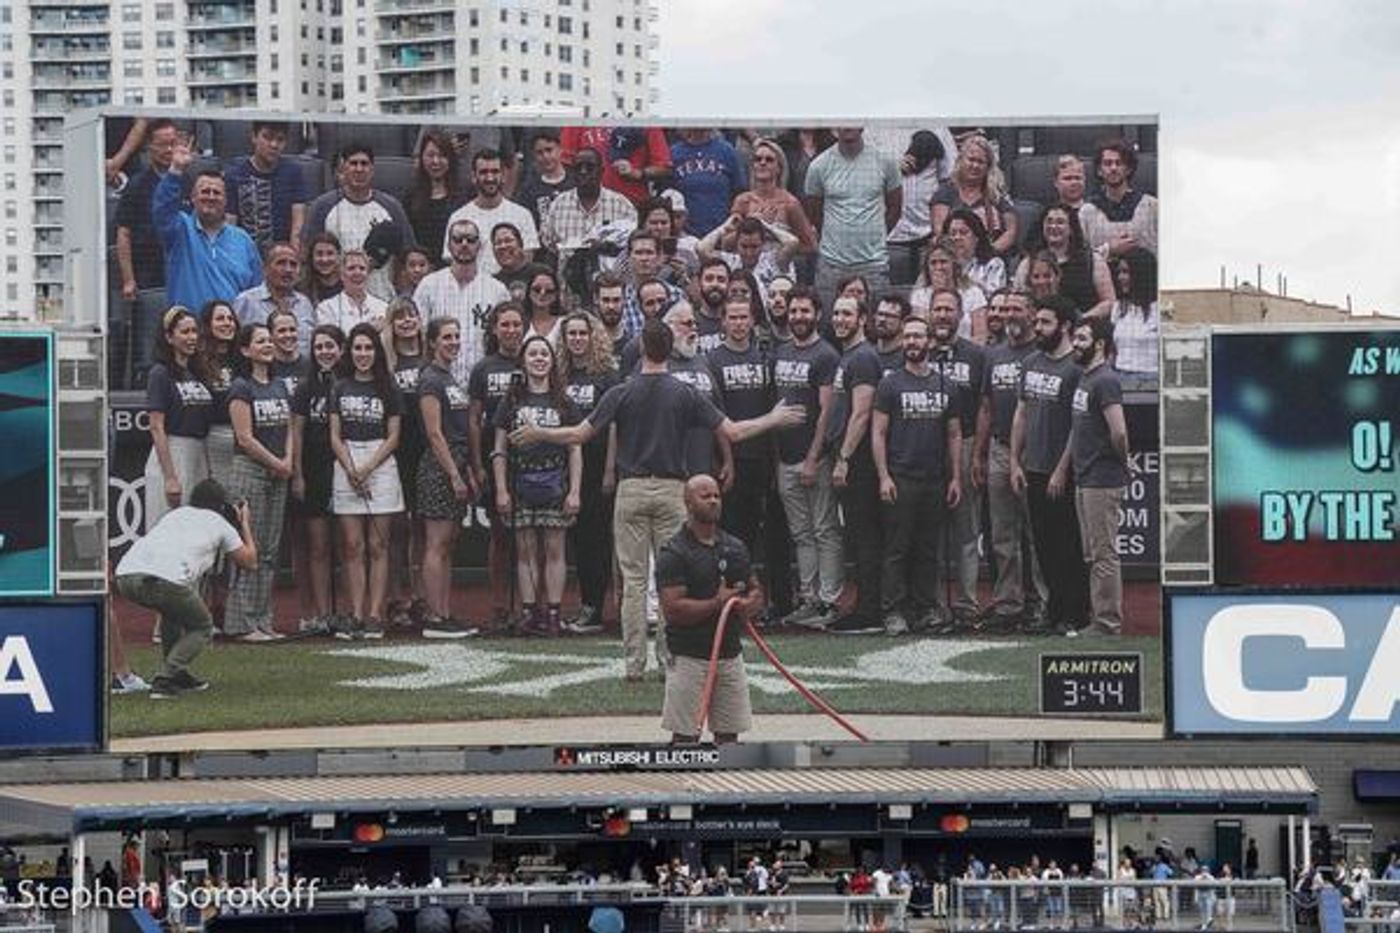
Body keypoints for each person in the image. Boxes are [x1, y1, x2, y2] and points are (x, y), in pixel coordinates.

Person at [509, 319, 801, 681]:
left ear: (642, 350)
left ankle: (634, 664)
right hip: (670, 490)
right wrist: (772, 418)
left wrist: (539, 432)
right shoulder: (683, 392)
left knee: (633, 581)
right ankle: (668, 659)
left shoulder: (622, 391)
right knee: (671, 581)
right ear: (671, 350)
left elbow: (579, 434)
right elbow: (734, 432)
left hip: (631, 489)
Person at [115, 479, 256, 698]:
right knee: (202, 626)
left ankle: (177, 673)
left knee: (172, 613)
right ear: (221, 506)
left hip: (126, 575)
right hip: (165, 580)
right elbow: (250, 561)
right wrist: (245, 523)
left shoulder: (175, 514)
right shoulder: (221, 523)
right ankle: (166, 678)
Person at [872, 315, 962, 635]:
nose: (911, 342)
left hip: (935, 478)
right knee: (897, 548)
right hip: (901, 476)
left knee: (927, 548)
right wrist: (883, 476)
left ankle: (926, 607)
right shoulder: (890, 383)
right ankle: (893, 609)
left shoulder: (945, 384)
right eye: (907, 336)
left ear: (929, 342)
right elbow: (878, 432)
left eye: (918, 336)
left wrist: (955, 478)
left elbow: (954, 434)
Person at [656, 473, 762, 743]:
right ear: (688, 503)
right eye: (705, 496)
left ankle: (724, 786)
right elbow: (674, 610)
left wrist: (749, 604)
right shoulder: (674, 553)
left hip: (729, 654)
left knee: (729, 737)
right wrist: (718, 603)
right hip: (689, 655)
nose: (714, 501)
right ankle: (682, 785)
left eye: (716, 495)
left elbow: (755, 590)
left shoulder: (735, 547)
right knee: (684, 738)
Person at [708, 296, 793, 619]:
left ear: (753, 321)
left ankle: (781, 602)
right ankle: (736, 601)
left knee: (775, 535)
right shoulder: (713, 360)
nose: (739, 323)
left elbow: (775, 412)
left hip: (766, 459)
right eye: (734, 317)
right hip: (733, 459)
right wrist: (726, 460)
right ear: (724, 322)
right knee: (734, 535)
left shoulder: (765, 358)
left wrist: (775, 460)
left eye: (745, 317)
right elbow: (718, 419)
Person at [1011, 295, 1091, 636]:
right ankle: (1054, 608)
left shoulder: (1075, 368)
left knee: (1068, 544)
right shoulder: (1030, 362)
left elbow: (1078, 424)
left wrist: (1062, 468)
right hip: (1033, 467)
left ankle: (1075, 612)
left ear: (1065, 327)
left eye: (1044, 323)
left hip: (1064, 472)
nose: (1037, 328)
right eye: (1037, 322)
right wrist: (1015, 460)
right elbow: (1021, 412)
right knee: (1042, 545)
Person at [492, 335, 582, 636]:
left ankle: (554, 612)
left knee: (555, 549)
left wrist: (575, 491)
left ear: (553, 361)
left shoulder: (563, 400)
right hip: (521, 481)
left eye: (545, 353)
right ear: (524, 360)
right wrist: (502, 489)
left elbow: (574, 447)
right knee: (525, 551)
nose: (540, 359)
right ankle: (530, 611)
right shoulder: (512, 400)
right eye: (533, 354)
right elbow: (499, 448)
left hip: (555, 481)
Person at [974, 290, 1049, 629]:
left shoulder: (1041, 353)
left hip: (1036, 452)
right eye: (1005, 310)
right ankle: (1008, 604)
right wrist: (979, 452)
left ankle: (1043, 603)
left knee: (1037, 534)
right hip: (1000, 449)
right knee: (1003, 535)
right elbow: (986, 407)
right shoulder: (993, 354)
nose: (1010, 315)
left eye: (1017, 309)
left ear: (1032, 314)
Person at [771, 286, 843, 627]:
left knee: (825, 529)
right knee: (801, 533)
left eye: (804, 311)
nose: (798, 316)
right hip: (784, 457)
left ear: (817, 314)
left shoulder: (826, 355)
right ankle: (809, 598)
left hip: (814, 457)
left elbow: (827, 413)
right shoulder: (781, 351)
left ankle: (829, 601)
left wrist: (814, 457)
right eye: (794, 310)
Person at [329, 323, 405, 639]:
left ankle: (375, 613)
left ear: (377, 352)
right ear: (350, 351)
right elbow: (334, 435)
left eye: (368, 348)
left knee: (378, 544)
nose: (363, 354)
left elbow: (394, 435)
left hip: (381, 461)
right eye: (358, 348)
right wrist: (351, 469)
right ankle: (356, 613)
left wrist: (369, 467)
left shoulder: (389, 387)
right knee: (352, 546)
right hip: (346, 460)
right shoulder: (339, 386)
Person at [224, 322, 293, 642]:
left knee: (270, 550)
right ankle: (241, 622)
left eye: (269, 340)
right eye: (260, 341)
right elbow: (244, 437)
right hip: (250, 471)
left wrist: (288, 460)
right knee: (247, 547)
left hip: (278, 474)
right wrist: (277, 462)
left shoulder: (279, 385)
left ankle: (263, 619)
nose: (268, 345)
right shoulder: (241, 387)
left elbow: (289, 427)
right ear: (245, 349)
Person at [821, 295, 885, 634]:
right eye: (836, 314)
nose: (839, 319)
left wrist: (844, 458)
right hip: (845, 454)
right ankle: (864, 604)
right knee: (857, 535)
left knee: (864, 536)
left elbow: (862, 413)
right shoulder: (848, 356)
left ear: (862, 319)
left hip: (857, 460)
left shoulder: (862, 358)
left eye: (847, 313)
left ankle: (870, 609)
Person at [928, 288, 989, 629]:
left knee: (966, 530)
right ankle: (936, 605)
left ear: (960, 314)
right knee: (932, 534)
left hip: (964, 444)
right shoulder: (920, 352)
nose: (942, 315)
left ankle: (966, 605)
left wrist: (977, 453)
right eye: (937, 309)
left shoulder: (975, 355)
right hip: (926, 449)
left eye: (949, 309)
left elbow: (984, 408)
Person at [414, 318, 479, 638]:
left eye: (457, 336)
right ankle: (434, 616)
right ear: (432, 342)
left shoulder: (450, 378)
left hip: (456, 462)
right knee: (436, 543)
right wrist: (453, 473)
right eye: (446, 337)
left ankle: (444, 610)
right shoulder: (430, 380)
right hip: (439, 466)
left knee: (448, 544)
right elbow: (434, 433)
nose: (453, 342)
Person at [558, 312, 621, 633]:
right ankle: (585, 604)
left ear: (592, 336)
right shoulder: (560, 375)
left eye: (583, 333)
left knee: (597, 539)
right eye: (571, 334)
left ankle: (597, 608)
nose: (577, 339)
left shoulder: (607, 376)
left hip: (598, 467)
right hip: (566, 466)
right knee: (578, 540)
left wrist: (610, 468)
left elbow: (613, 425)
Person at [1069, 315, 1130, 636]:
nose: (1074, 344)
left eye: (1081, 339)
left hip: (1102, 479)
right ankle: (1099, 618)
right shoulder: (1086, 377)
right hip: (1085, 478)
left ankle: (1107, 623)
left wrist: (1124, 461)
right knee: (1093, 553)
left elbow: (1118, 431)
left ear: (1100, 345)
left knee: (1104, 553)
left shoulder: (1105, 380)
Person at [153, 138, 263, 315]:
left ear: (226, 201)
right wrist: (176, 170)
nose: (211, 197)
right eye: (205, 192)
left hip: (231, 333)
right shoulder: (179, 230)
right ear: (193, 198)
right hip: (189, 333)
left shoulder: (243, 240)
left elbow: (257, 293)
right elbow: (162, 209)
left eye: (217, 193)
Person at [803, 127, 902, 314]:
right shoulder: (818, 166)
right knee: (827, 326)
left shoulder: (885, 161)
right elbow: (814, 212)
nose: (847, 125)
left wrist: (875, 236)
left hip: (873, 264)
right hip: (832, 265)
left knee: (876, 327)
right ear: (833, 127)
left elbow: (895, 208)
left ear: (862, 125)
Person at [290, 324, 347, 635]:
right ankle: (321, 613)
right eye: (319, 347)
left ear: (341, 349)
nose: (325, 352)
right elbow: (296, 432)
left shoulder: (351, 383)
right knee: (319, 547)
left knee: (349, 545)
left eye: (331, 346)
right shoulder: (305, 388)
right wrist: (297, 474)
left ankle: (349, 611)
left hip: (348, 469)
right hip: (314, 470)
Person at [115, 118, 179, 375]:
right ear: (149, 148)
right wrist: (129, 279)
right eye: (163, 145)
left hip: (179, 266)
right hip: (147, 268)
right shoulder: (137, 185)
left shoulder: (190, 180)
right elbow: (123, 233)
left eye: (173, 144)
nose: (168, 150)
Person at [414, 218, 512, 385]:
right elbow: (419, 335)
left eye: (471, 239)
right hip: (438, 382)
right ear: (449, 245)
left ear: (479, 245)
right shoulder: (428, 285)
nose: (464, 244)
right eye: (458, 240)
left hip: (483, 384)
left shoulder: (497, 290)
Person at [144, 307, 213, 533]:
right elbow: (156, 427)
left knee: (194, 530)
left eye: (195, 331)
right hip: (173, 451)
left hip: (198, 452)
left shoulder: (198, 372)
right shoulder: (160, 373)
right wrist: (170, 477)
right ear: (169, 337)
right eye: (185, 332)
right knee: (168, 529)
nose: (192, 337)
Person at [382, 298, 429, 627]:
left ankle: (423, 597)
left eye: (411, 315)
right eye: (399, 318)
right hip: (395, 451)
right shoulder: (386, 361)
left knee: (424, 529)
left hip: (426, 448)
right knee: (396, 530)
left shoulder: (430, 359)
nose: (407, 322)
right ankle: (398, 597)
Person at [539, 146, 637, 290]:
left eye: (590, 167)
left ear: (601, 171)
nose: (583, 172)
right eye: (578, 168)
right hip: (569, 291)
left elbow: (633, 250)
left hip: (613, 294)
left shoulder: (622, 206)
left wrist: (604, 248)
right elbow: (550, 251)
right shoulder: (558, 205)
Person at [304, 143, 414, 260]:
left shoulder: (392, 207)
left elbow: (409, 253)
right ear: (343, 170)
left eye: (364, 164)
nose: (359, 169)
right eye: (353, 163)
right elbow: (306, 252)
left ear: (372, 170)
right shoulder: (322, 207)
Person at [442, 149, 539, 276]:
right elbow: (452, 260)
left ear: (503, 176)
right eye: (483, 172)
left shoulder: (522, 215)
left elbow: (527, 259)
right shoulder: (458, 217)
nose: (490, 178)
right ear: (473, 177)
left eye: (495, 172)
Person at [730, 136, 818, 265]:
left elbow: (810, 246)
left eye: (769, 160)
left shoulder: (790, 203)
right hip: (747, 269)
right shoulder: (743, 201)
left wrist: (780, 245)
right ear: (752, 166)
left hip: (779, 271)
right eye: (758, 159)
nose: (762, 163)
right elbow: (726, 243)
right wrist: (750, 223)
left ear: (779, 168)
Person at [223, 121, 308, 253]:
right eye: (267, 137)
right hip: (246, 254)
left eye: (280, 140)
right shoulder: (234, 174)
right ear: (254, 137)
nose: (274, 145)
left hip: (283, 255)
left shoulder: (293, 172)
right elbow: (230, 224)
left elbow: (298, 222)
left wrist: (292, 257)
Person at [1016, 204, 1114, 318]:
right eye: (1049, 222)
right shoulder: (1027, 263)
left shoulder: (1093, 260)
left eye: (1060, 222)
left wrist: (1081, 319)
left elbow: (1109, 302)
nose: (1053, 226)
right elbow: (1018, 299)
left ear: (1071, 228)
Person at [931, 134, 1018, 258]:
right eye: (971, 159)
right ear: (960, 160)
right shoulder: (945, 192)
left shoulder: (997, 194)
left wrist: (989, 251)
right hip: (954, 259)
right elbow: (940, 231)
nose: (975, 166)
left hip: (990, 259)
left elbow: (1011, 231)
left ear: (988, 167)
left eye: (981, 162)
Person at [886, 129, 947, 286]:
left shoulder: (939, 127)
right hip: (890, 235)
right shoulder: (871, 131)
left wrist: (939, 231)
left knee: (929, 291)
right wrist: (892, 169)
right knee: (895, 294)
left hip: (928, 234)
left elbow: (948, 179)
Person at [233, 242, 317, 355]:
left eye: (293, 264)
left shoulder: (304, 304)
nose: (288, 269)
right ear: (265, 268)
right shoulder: (246, 301)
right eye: (281, 263)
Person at [1079, 139, 1159, 258]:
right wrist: (1109, 250)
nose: (1113, 168)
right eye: (1107, 163)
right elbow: (1081, 258)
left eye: (1119, 163)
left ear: (1129, 169)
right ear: (1099, 171)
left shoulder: (1152, 206)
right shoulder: (1086, 212)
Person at [561, 125, 673, 207]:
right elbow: (565, 164)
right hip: (588, 204)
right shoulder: (583, 115)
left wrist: (638, 173)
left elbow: (664, 167)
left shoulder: (644, 118)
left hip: (633, 203)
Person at [402, 129, 468, 263]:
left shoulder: (465, 193)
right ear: (421, 158)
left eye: (442, 155)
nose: (436, 161)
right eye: (430, 155)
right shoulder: (411, 194)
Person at [668, 128, 748, 238]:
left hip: (722, 231)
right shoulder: (674, 153)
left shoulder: (727, 151)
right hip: (685, 234)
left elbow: (740, 191)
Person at [1100, 247, 1159, 379]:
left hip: (1151, 377)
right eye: (1119, 272)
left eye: (1126, 272)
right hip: (1119, 374)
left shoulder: (1159, 309)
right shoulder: (1118, 308)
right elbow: (1113, 351)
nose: (1120, 277)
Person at [513, 129, 575, 228]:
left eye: (549, 150)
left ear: (559, 149)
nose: (545, 156)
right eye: (539, 153)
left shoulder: (576, 181)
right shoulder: (529, 190)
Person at [317, 249, 389, 332]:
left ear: (368, 274)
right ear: (341, 275)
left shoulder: (383, 308)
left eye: (362, 268)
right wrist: (371, 329)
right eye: (351, 268)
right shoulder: (327, 309)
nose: (357, 272)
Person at [490, 222, 543, 301]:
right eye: (498, 243)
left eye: (508, 241)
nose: (503, 246)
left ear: (520, 244)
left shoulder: (541, 273)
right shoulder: (492, 283)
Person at [300, 232, 344, 308]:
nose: (324, 259)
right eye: (319, 254)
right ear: (311, 257)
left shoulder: (350, 287)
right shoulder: (301, 290)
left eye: (330, 253)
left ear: (339, 256)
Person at [522, 267, 565, 343]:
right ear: (528, 291)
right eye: (537, 289)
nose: (542, 293)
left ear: (556, 295)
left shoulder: (563, 324)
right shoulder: (519, 323)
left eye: (549, 291)